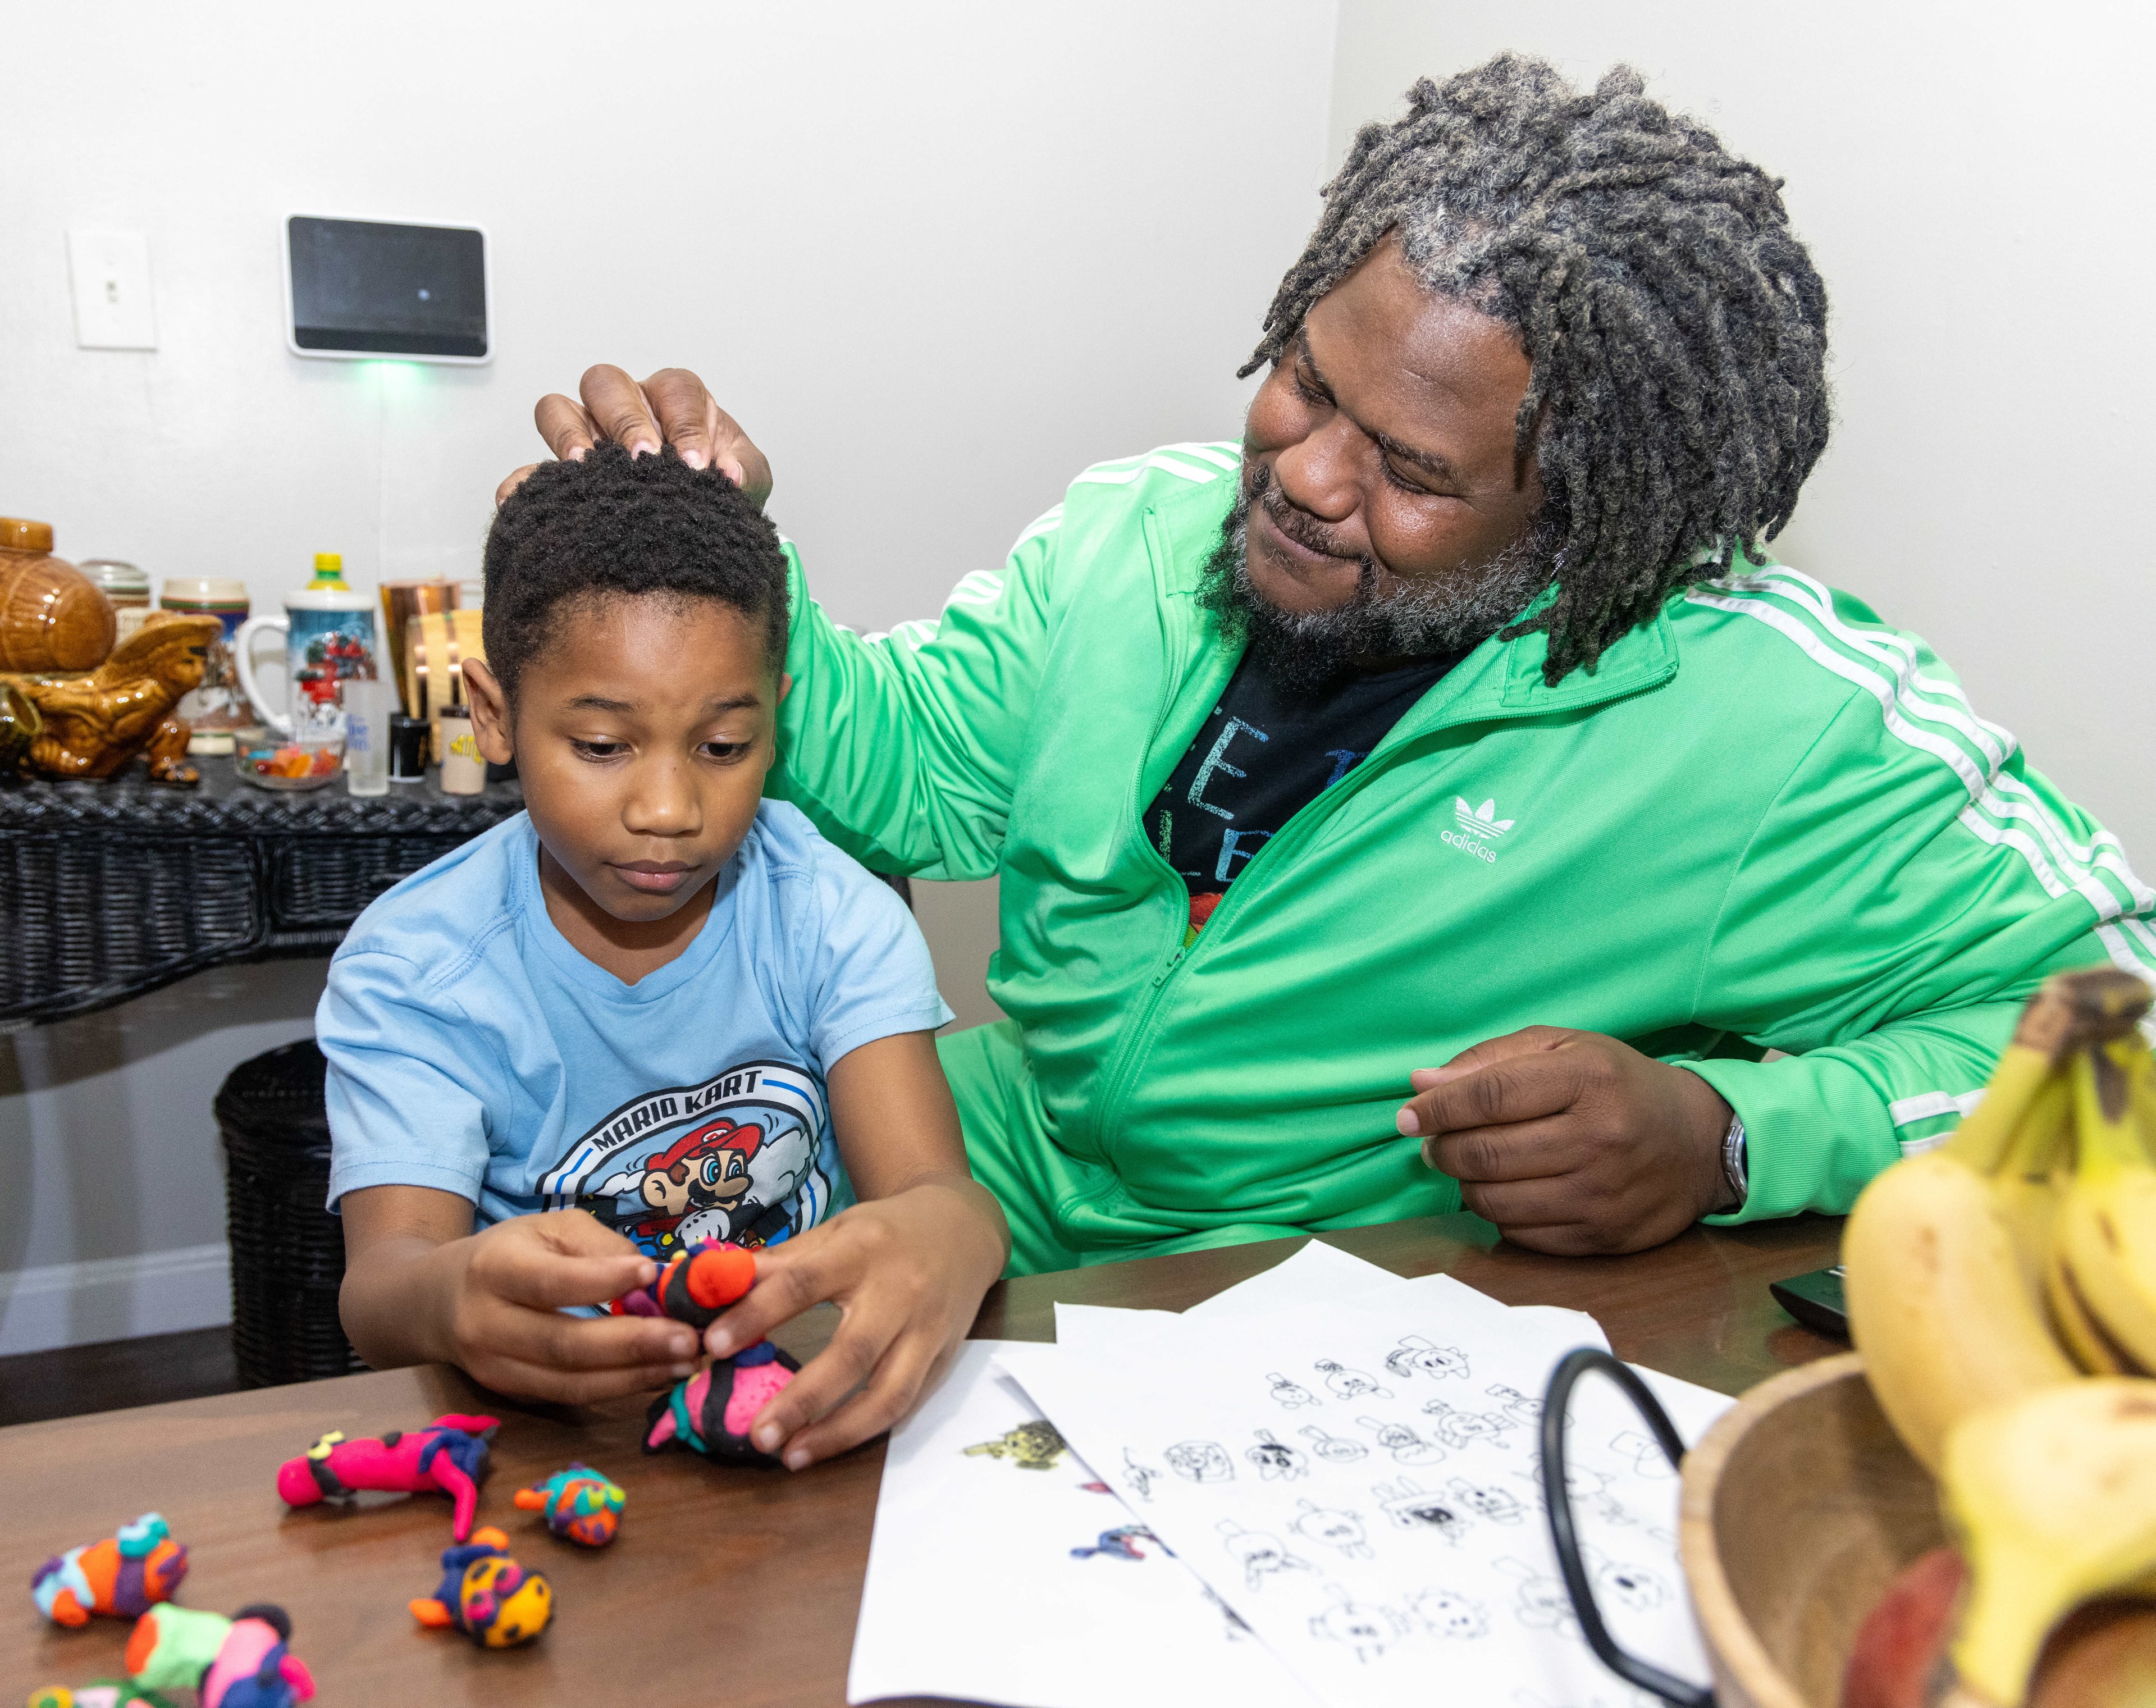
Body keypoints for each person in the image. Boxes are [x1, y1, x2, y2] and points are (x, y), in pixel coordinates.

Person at [506, 56, 2156, 1269]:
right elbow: (914, 761)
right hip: (980, 1176)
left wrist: (1726, 1139)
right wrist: (724, 578)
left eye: (1417, 474)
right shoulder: (1139, 536)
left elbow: (2124, 1050)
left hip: (1313, 1291)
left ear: (1591, 526)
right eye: (1304, 381)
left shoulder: (1764, 717)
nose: (1301, 474)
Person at [322, 443, 1009, 1469]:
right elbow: (382, 1288)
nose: (668, 810)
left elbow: (936, 1193)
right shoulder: (417, 968)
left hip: (804, 1413)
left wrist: (954, 1233)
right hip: (551, 1444)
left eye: (724, 747)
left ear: (774, 717)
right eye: (602, 746)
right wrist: (452, 1295)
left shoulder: (827, 913)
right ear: (496, 713)